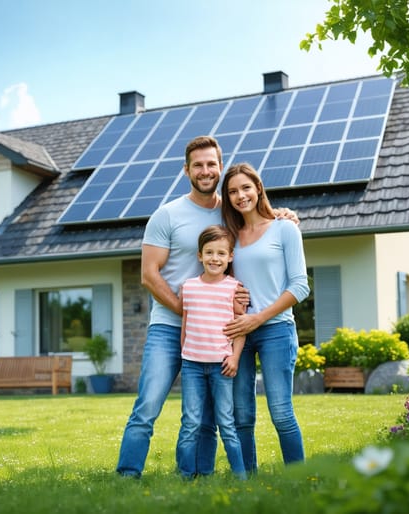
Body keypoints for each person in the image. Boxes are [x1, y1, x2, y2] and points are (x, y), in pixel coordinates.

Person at [115, 136, 297, 478]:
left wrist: (283, 214)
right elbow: (149, 275)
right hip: (169, 327)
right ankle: (127, 474)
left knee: (210, 415)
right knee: (148, 405)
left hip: (217, 334)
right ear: (187, 170)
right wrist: (190, 313)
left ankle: (201, 475)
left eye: (211, 164)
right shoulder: (166, 214)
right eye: (197, 165)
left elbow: (259, 228)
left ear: (220, 166)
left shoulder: (230, 211)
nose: (205, 171)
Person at [220, 162, 310, 475]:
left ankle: (297, 479)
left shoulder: (285, 228)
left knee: (282, 412)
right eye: (232, 191)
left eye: (246, 187)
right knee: (241, 414)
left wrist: (257, 318)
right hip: (240, 332)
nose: (240, 195)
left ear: (258, 188)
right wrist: (235, 299)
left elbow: (299, 286)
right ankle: (247, 479)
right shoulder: (230, 236)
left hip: (276, 330)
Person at [176, 225, 246, 479]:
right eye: (209, 253)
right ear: (199, 256)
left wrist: (235, 356)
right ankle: (185, 476)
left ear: (230, 257)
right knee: (191, 423)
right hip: (193, 365)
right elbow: (185, 324)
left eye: (220, 253)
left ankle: (240, 477)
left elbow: (240, 328)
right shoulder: (189, 287)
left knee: (226, 423)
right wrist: (184, 356)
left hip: (221, 366)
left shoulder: (234, 288)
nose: (214, 258)